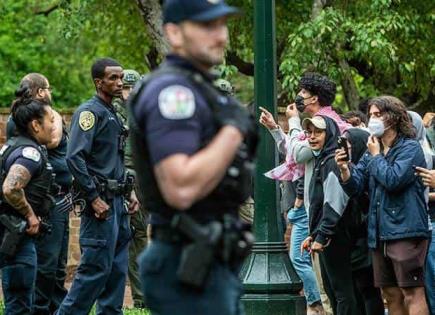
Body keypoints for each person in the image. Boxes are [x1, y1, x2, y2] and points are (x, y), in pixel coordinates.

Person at [128, 0, 257, 314]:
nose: (221, 36)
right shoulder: (174, 94)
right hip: (186, 261)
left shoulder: (200, 88)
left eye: (222, 25)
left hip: (208, 258)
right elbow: (180, 186)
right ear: (174, 32)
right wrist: (233, 130)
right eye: (206, 26)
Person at [56, 58, 139, 315]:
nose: (119, 82)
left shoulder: (112, 113)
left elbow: (113, 161)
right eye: (112, 78)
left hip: (118, 204)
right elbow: (74, 157)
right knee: (93, 273)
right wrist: (93, 197)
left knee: (115, 274)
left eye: (121, 77)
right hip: (100, 206)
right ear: (98, 82)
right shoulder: (89, 113)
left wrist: (130, 192)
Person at [336, 96, 430, 315]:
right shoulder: (373, 150)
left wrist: (377, 156)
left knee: (412, 293)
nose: (372, 119)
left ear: (394, 117)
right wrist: (344, 168)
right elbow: (356, 187)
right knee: (390, 294)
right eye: (371, 115)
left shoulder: (410, 149)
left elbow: (394, 180)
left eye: (378, 114)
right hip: (379, 234)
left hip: (406, 231)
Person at [6, 73, 73, 315]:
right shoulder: (26, 120)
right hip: (45, 201)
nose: (52, 93)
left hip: (61, 198)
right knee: (45, 263)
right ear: (41, 92)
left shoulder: (43, 117)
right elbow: (54, 140)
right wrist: (51, 113)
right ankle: (41, 309)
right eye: (49, 89)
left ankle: (57, 308)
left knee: (57, 266)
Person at [0, 98, 56, 314]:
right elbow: (11, 188)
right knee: (20, 306)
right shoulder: (29, 154)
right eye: (50, 120)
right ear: (35, 125)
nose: (54, 125)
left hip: (13, 236)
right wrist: (31, 216)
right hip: (18, 238)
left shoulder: (12, 146)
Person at [300, 116, 358, 315]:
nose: (312, 137)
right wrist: (314, 234)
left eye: (318, 132)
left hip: (336, 236)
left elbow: (334, 203)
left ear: (330, 133)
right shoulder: (322, 159)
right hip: (325, 236)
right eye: (309, 132)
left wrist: (322, 235)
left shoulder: (332, 160)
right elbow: (320, 202)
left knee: (342, 292)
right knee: (333, 292)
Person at [113, 68, 149, 309]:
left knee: (138, 236)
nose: (128, 93)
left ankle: (140, 296)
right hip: (121, 178)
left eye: (132, 88)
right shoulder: (113, 111)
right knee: (124, 237)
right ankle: (135, 297)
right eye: (125, 88)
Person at [341, 128, 384, 315]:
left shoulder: (372, 166)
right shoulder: (353, 169)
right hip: (354, 238)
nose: (347, 149)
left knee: (368, 290)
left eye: (350, 145)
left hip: (367, 238)